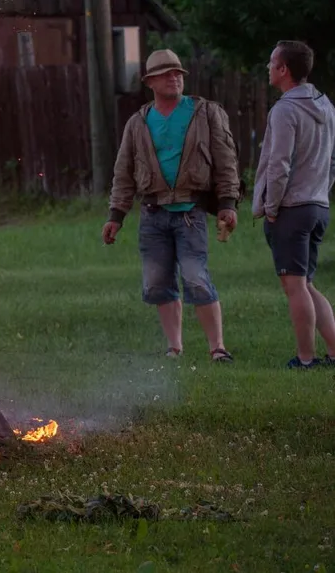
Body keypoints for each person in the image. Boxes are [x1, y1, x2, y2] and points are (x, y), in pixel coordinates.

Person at [103, 49, 239, 362]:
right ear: (150, 81)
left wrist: (227, 203)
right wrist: (116, 216)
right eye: (166, 73)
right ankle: (175, 348)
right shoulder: (138, 122)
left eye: (177, 72)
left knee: (195, 277)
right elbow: (123, 173)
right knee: (156, 283)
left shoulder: (204, 112)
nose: (174, 77)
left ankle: (217, 348)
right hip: (152, 215)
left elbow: (226, 161)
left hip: (190, 213)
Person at [251, 40, 335, 370]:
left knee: (295, 286)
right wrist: (321, 191)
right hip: (318, 206)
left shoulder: (285, 110)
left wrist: (271, 206)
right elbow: (332, 161)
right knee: (306, 283)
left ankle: (305, 358)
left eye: (272, 63)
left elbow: (279, 163)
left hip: (292, 209)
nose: (268, 68)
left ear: (284, 69)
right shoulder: (326, 106)